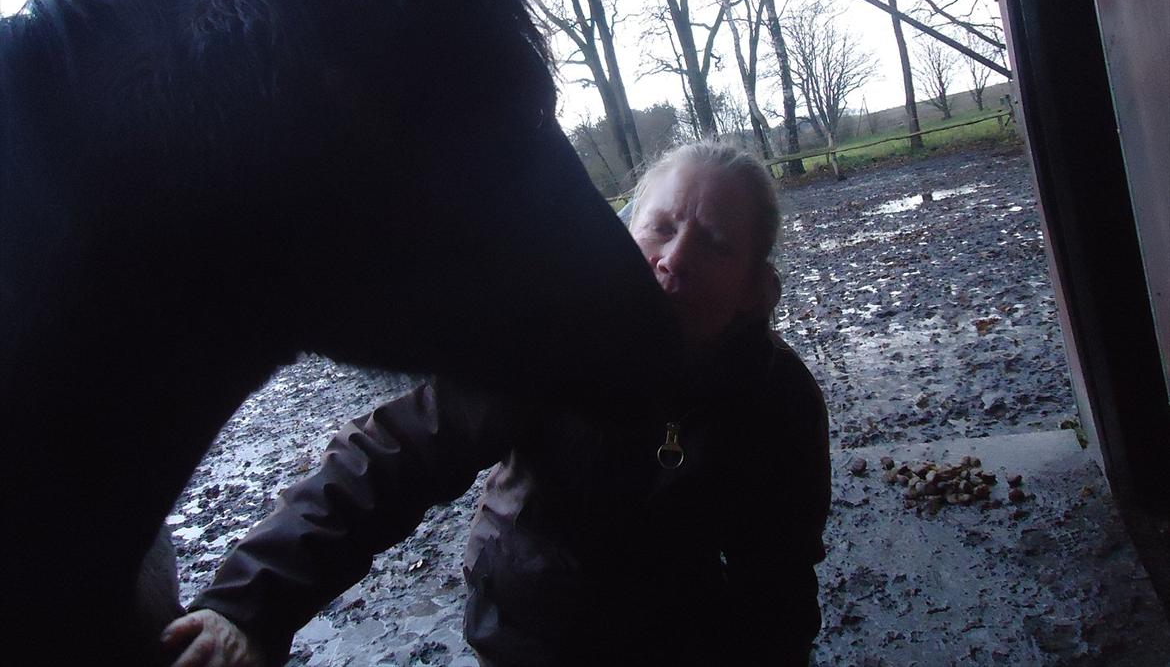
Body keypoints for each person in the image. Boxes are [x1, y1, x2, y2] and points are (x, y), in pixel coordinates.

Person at [162, 141, 831, 667]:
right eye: (660, 227)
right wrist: (247, 607)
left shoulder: (781, 399)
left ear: (753, 286)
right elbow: (389, 458)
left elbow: (778, 581)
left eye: (714, 244)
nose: (673, 260)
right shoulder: (552, 342)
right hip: (528, 634)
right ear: (624, 234)